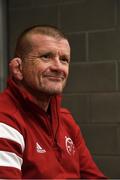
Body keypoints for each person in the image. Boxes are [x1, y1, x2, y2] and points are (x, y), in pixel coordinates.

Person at [0, 25, 106, 179]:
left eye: (64, 60)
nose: (58, 67)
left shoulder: (65, 120)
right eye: (45, 56)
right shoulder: (5, 119)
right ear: (18, 68)